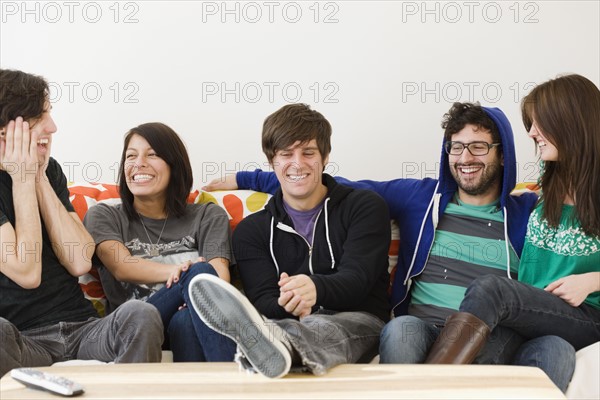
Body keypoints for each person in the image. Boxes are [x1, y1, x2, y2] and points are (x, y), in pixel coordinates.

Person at [203, 102, 576, 391]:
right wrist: (248, 176)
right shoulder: (420, 197)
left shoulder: (534, 211)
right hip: (426, 326)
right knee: (400, 331)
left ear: (502, 152)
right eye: (456, 147)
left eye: (478, 147)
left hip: (496, 331)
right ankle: (271, 340)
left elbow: (581, 218)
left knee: (556, 347)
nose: (465, 159)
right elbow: (319, 181)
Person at [188, 103, 391, 378]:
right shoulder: (252, 231)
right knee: (279, 326)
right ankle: (269, 345)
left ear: (325, 157)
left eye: (308, 153)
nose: (298, 164)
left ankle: (267, 345)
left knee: (323, 328)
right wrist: (292, 301)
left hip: (360, 320)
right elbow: (263, 300)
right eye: (286, 154)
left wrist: (315, 289)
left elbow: (358, 280)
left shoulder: (363, 207)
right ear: (273, 162)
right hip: (284, 321)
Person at [425, 74, 600, 367]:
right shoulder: (546, 190)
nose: (531, 133)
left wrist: (592, 280)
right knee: (495, 353)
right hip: (535, 315)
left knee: (491, 289)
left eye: (538, 123)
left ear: (569, 121)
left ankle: (429, 384)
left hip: (585, 316)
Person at [0, 69, 163, 377]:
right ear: (6, 130)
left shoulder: (50, 171)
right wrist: (21, 179)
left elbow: (78, 260)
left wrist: (38, 177)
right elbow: (27, 272)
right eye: (41, 116)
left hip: (83, 328)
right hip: (24, 341)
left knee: (140, 314)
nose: (53, 127)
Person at [83, 122, 236, 362]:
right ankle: (238, 378)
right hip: (136, 325)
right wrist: (185, 273)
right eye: (131, 156)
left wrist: (192, 294)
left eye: (152, 154)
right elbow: (122, 267)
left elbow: (218, 277)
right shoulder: (104, 215)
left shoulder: (207, 215)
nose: (138, 163)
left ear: (174, 165)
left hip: (192, 317)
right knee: (198, 272)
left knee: (187, 318)